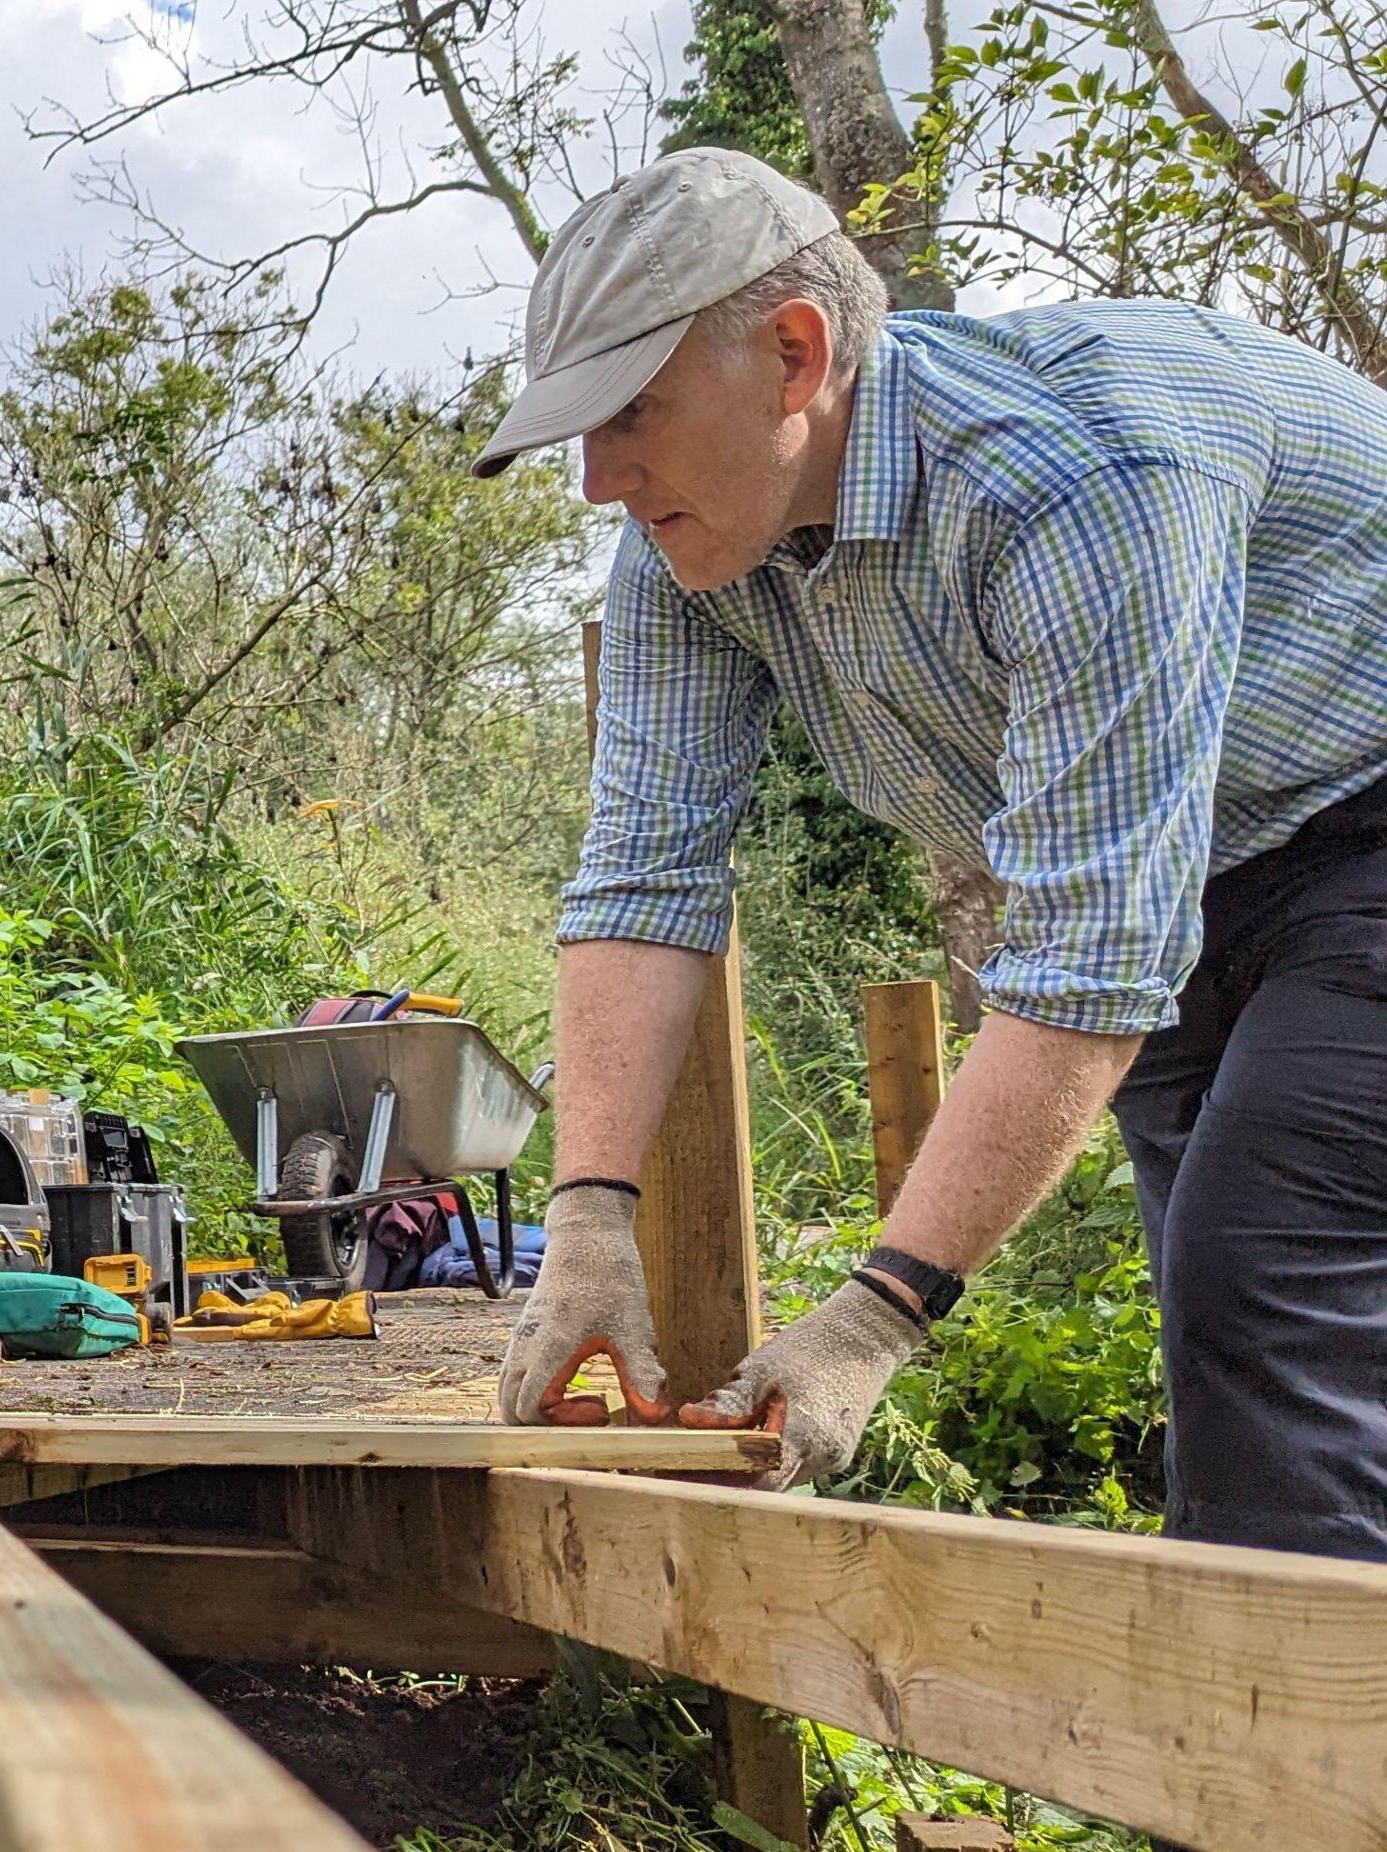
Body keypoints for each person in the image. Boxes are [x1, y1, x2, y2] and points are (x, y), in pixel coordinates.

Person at [481, 149, 1387, 1561]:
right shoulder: (682, 552)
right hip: (1208, 869)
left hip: (1363, 830)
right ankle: (1268, 1719)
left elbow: (1088, 959)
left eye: (632, 415)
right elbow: (643, 881)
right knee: (1246, 1339)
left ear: (795, 355)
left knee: (1261, 1276)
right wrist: (588, 1226)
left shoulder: (1080, 479)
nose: (599, 480)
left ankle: (1306, 1757)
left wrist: (870, 1320)